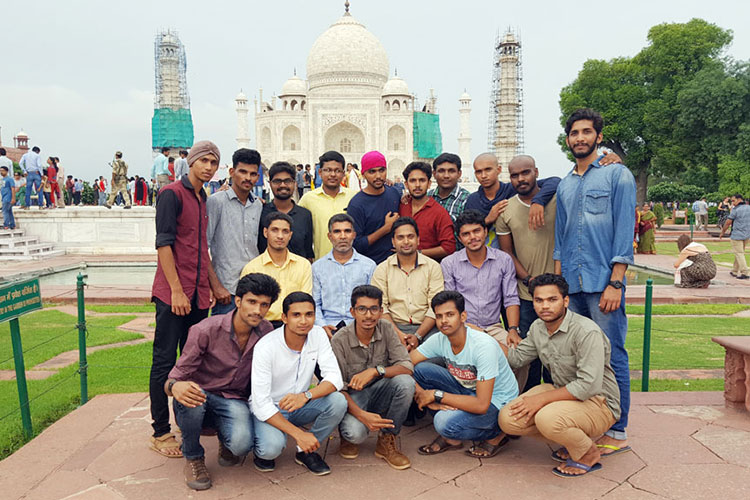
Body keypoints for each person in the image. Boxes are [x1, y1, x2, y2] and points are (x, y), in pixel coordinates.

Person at [554, 108, 636, 455]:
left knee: (612, 354)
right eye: (574, 133)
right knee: (580, 360)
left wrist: (616, 282)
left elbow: (624, 233)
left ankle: (617, 429)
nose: (580, 138)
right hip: (572, 286)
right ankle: (589, 426)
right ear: (568, 139)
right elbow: (561, 239)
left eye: (586, 132)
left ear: (598, 137)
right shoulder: (566, 184)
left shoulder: (617, 175)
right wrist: (557, 289)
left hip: (603, 283)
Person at [499, 274, 622, 478]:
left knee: (547, 418)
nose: (545, 306)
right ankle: (572, 441)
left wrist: (541, 399)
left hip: (599, 403)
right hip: (562, 393)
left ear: (565, 301)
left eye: (552, 299)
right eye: (539, 300)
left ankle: (588, 453)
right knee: (508, 419)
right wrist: (482, 338)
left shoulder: (586, 332)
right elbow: (517, 359)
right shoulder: (538, 328)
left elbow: (588, 386)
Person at [148, 140, 227, 459]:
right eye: (203, 161)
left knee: (192, 361)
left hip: (197, 295)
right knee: (164, 362)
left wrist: (214, 286)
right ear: (191, 162)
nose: (208, 167)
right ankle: (160, 431)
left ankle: (187, 421)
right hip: (174, 294)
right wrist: (176, 290)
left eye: (213, 162)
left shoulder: (201, 197)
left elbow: (200, 249)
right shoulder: (172, 194)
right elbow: (164, 245)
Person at [165, 273, 279, 490]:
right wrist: (175, 386)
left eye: (264, 305)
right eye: (252, 302)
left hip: (233, 398)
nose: (257, 310)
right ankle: (193, 457)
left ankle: (225, 439)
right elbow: (175, 378)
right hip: (201, 394)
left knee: (241, 446)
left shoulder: (266, 331)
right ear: (238, 301)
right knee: (192, 394)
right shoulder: (205, 330)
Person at [410, 290, 518, 458]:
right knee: (421, 371)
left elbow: (481, 404)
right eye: (439, 316)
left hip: (496, 401)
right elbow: (406, 364)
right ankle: (453, 436)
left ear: (463, 316)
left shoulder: (483, 347)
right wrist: (422, 394)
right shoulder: (440, 339)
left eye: (450, 314)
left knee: (443, 423)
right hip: (467, 389)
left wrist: (436, 395)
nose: (444, 321)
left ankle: (498, 433)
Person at [250, 292, 347, 476]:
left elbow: (335, 378)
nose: (303, 321)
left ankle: (306, 452)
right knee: (270, 449)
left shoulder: (318, 334)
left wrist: (306, 396)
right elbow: (260, 403)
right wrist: (299, 434)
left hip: (300, 404)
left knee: (338, 401)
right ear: (284, 318)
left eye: (309, 314)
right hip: (271, 409)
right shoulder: (266, 346)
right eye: (296, 315)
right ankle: (266, 442)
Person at [331, 285, 414, 469]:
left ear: (381, 311)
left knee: (406, 383)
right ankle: (346, 436)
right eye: (362, 309)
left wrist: (376, 371)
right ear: (352, 311)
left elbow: (407, 367)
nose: (368, 315)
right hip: (352, 397)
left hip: (380, 390)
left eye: (373, 309)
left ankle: (387, 439)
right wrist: (362, 415)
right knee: (355, 434)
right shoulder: (340, 340)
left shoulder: (386, 328)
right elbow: (337, 388)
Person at [442, 209, 526, 388]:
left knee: (520, 357)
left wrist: (512, 329)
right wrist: (467, 329)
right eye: (466, 234)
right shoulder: (449, 263)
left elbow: (511, 298)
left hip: (494, 327)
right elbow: (450, 305)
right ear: (459, 238)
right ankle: (478, 400)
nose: (473, 237)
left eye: (476, 231)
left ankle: (512, 400)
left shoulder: (503, 260)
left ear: (485, 231)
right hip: (464, 329)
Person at [496, 154, 557, 390]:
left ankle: (555, 403)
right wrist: (529, 279)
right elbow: (507, 253)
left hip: (556, 292)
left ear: (536, 173)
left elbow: (559, 181)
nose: (520, 179)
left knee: (556, 353)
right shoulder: (506, 209)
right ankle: (529, 402)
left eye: (525, 173)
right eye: (515, 175)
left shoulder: (556, 201)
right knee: (529, 355)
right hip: (525, 293)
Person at [371, 217, 444, 349]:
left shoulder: (433, 267)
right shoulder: (382, 269)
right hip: (393, 327)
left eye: (410, 237)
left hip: (427, 328)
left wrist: (418, 336)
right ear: (393, 242)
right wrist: (399, 335)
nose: (406, 242)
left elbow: (436, 307)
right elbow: (380, 307)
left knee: (436, 354)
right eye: (400, 238)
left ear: (418, 240)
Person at [206, 148, 264, 315]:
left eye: (252, 174)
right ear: (232, 172)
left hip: (253, 287)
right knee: (224, 332)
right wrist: (216, 286)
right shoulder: (216, 202)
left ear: (257, 177)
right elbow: (202, 247)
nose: (247, 178)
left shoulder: (258, 205)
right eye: (242, 172)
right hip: (226, 289)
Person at [465, 152, 559, 247]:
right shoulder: (472, 200)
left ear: (499, 170)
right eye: (479, 172)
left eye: (488, 170)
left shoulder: (514, 189)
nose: (483, 175)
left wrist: (538, 201)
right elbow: (466, 231)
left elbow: (554, 181)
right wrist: (488, 219)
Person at [242, 212, 312, 326]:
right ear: (265, 232)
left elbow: (305, 302)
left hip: (295, 325)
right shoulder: (252, 268)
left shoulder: (303, 265)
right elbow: (247, 307)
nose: (280, 236)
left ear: (290, 235)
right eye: (275, 230)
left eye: (285, 231)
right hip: (262, 325)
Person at [312, 213, 376, 335]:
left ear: (354, 235)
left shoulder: (369, 266)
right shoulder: (317, 267)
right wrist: (322, 327)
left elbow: (372, 301)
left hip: (360, 326)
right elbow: (315, 303)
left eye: (347, 231)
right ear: (330, 236)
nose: (343, 236)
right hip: (327, 327)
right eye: (337, 232)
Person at [299, 151, 356, 260]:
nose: (333, 174)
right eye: (328, 170)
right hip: (320, 262)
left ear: (343, 174)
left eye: (337, 171)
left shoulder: (354, 197)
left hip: (351, 263)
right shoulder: (308, 199)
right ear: (320, 172)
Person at [348, 151, 401, 264]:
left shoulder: (394, 193)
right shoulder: (356, 204)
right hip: (370, 265)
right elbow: (356, 244)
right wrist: (385, 229)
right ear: (363, 174)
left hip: (396, 263)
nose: (378, 176)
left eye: (381, 170)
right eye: (372, 171)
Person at [398, 162, 455, 260]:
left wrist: (416, 253)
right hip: (401, 266)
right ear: (406, 184)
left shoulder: (439, 212)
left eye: (422, 180)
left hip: (429, 267)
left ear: (429, 184)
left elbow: (449, 248)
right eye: (413, 181)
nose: (417, 185)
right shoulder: (402, 206)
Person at [258, 161, 314, 260]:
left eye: (287, 181)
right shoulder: (260, 212)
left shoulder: (304, 215)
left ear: (295, 183)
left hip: (297, 269)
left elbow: (308, 252)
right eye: (277, 181)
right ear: (270, 184)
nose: (283, 185)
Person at [428, 153, 471, 222]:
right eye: (441, 171)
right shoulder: (427, 197)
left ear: (459, 174)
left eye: (451, 171)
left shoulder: (467, 199)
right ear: (434, 174)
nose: (446, 176)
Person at [720, 193, 750, 280]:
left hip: (737, 235)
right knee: (739, 252)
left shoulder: (735, 209)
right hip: (747, 235)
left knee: (739, 253)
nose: (732, 203)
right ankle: (734, 270)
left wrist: (723, 232)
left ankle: (745, 272)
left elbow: (728, 222)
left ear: (739, 199)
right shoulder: (749, 207)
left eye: (733, 201)